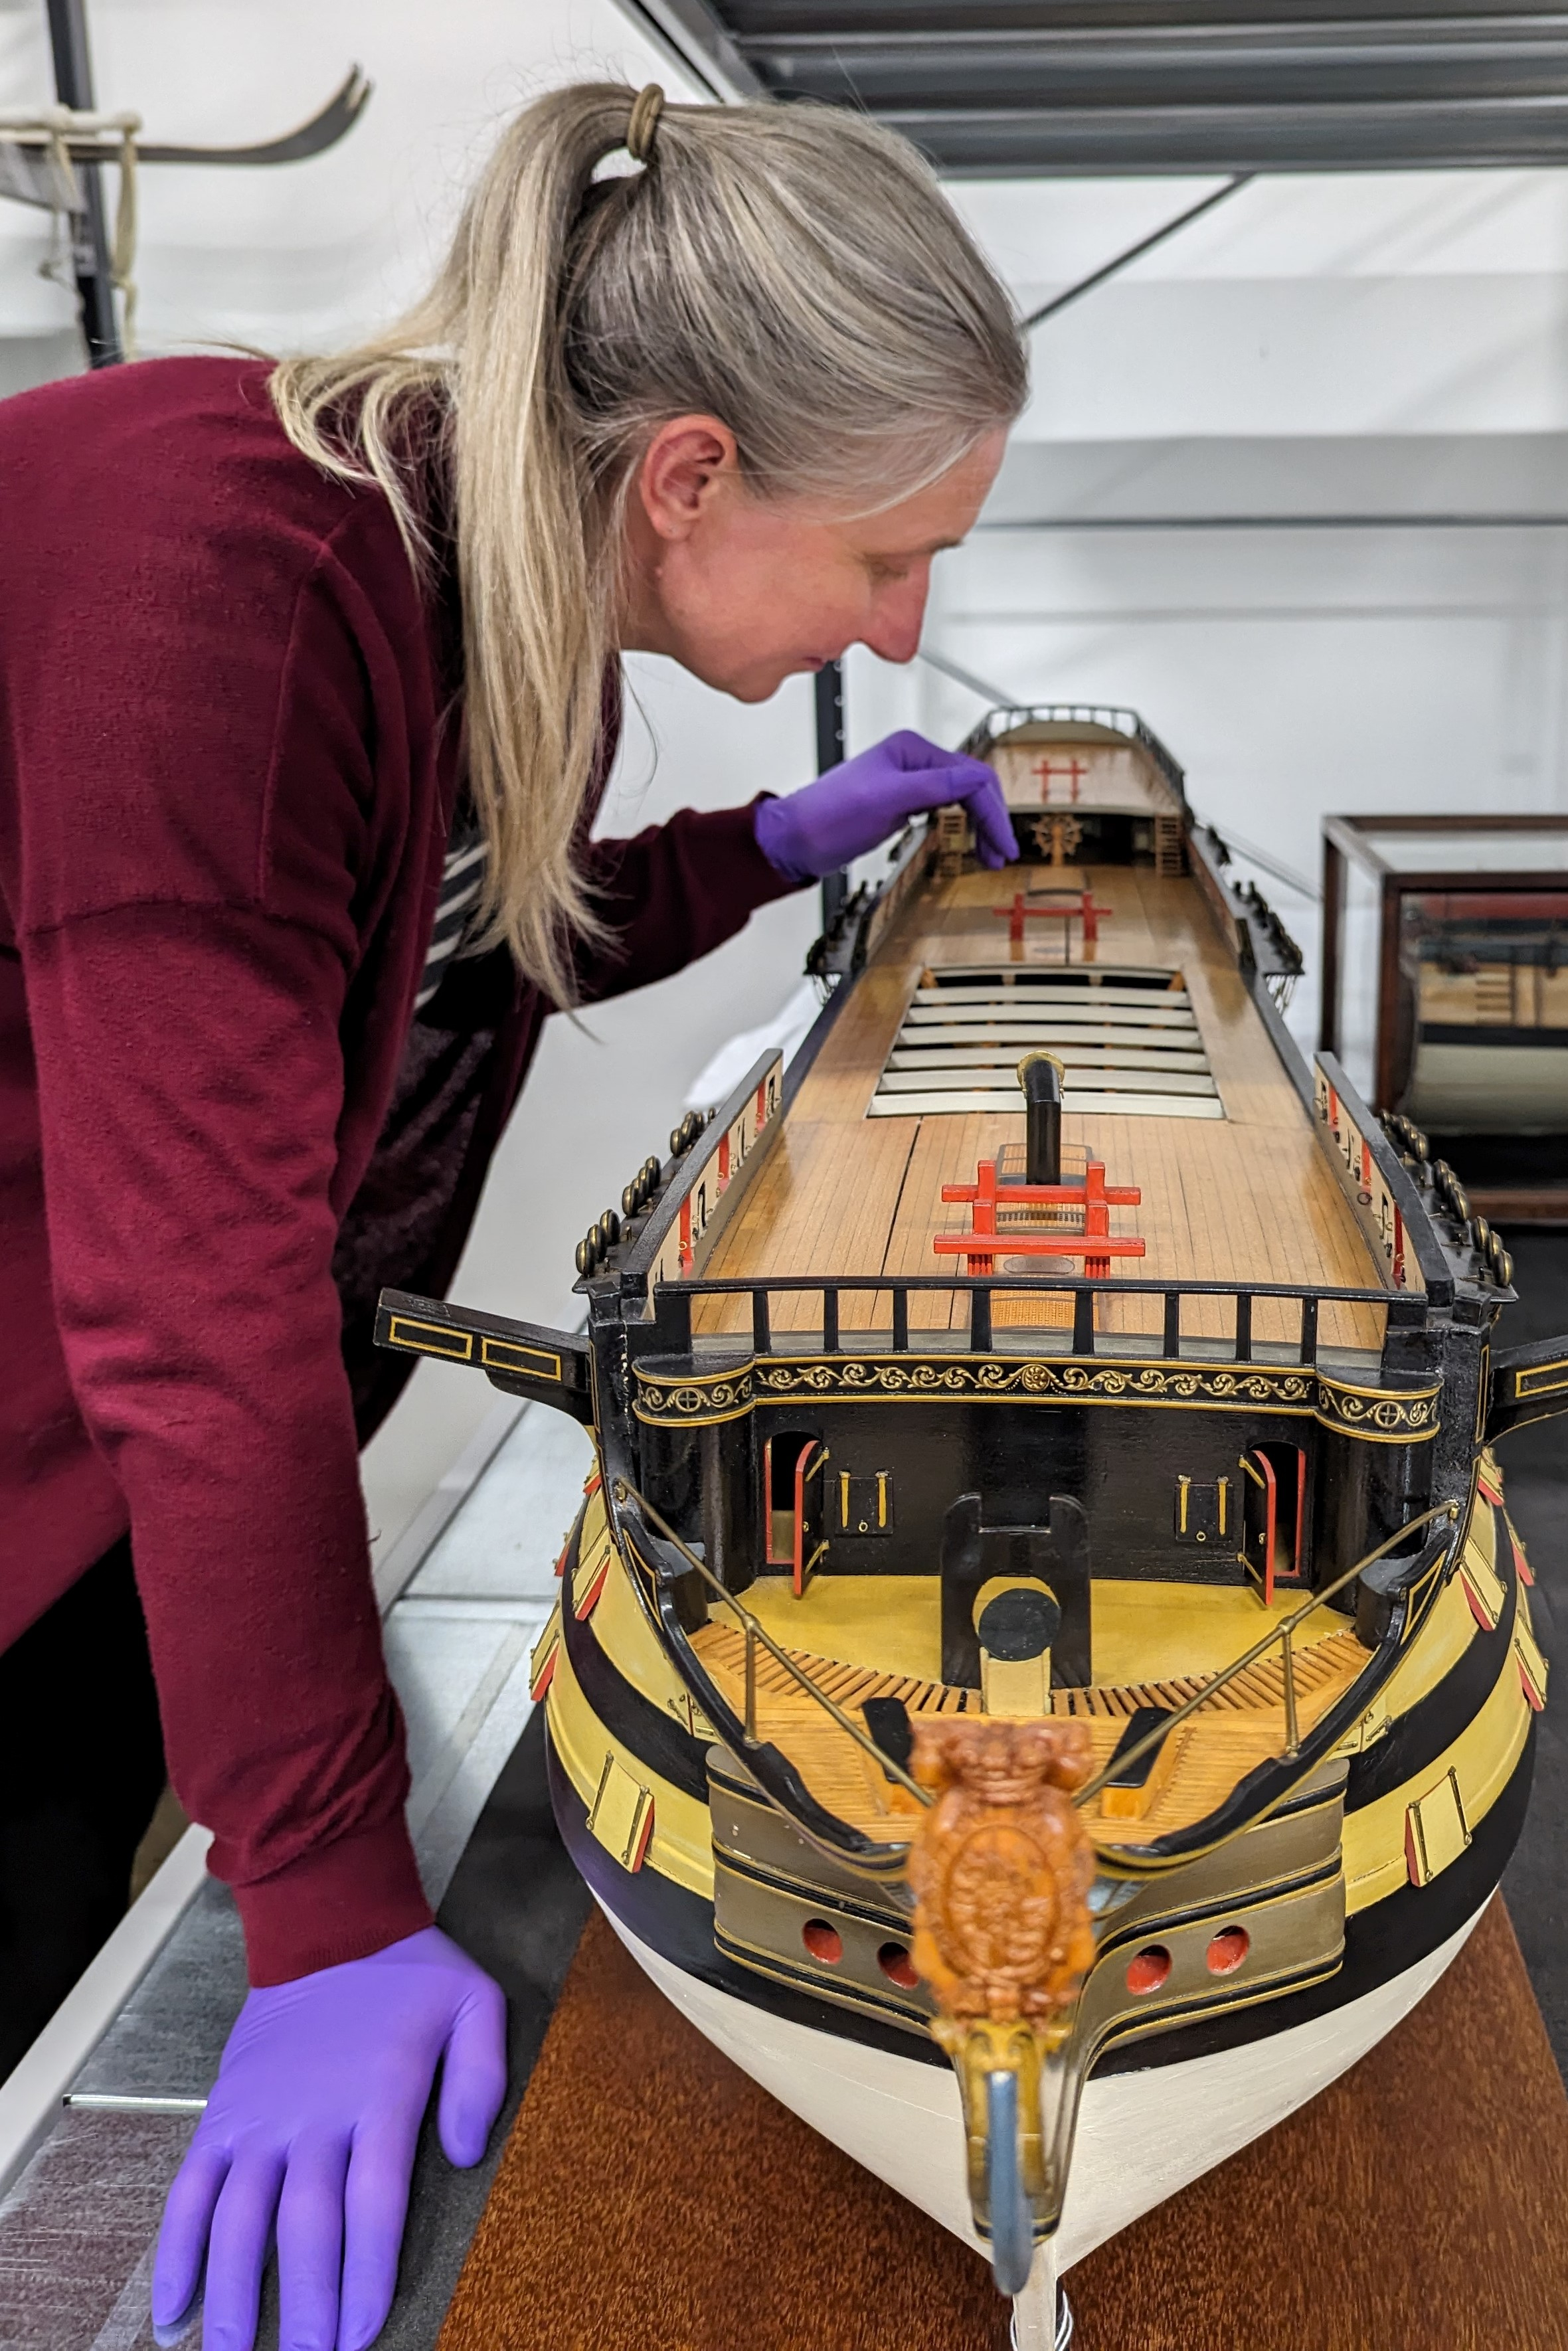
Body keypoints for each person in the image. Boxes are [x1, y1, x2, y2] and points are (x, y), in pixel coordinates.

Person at [0, 80, 1025, 2351]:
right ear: (688, 475)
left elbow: (457, 934)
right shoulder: (232, 583)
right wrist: (334, 1907)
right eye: (886, 555)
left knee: (85, 1860)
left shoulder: (481, 582)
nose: (912, 607)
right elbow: (193, 1314)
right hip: (49, 1410)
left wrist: (770, 842)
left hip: (111, 1465)